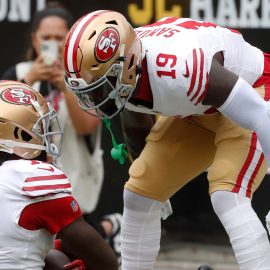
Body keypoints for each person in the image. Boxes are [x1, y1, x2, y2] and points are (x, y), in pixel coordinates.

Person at [62, 10, 270, 270]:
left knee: (228, 194)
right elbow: (136, 122)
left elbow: (261, 114)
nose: (96, 98)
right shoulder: (131, 68)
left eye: (101, 86)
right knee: (139, 195)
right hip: (201, 107)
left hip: (255, 91)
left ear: (127, 64)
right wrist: (155, 184)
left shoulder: (181, 68)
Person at [1, 6, 122, 264]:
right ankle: (109, 228)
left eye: (60, 38)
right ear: (34, 39)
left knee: (72, 243)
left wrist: (64, 85)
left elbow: (87, 126)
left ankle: (108, 229)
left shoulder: (82, 77)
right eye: (47, 38)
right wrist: (30, 78)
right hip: (22, 189)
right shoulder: (18, 75)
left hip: (73, 182)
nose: (52, 44)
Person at [0, 80, 118, 270]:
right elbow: (106, 262)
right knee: (58, 261)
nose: (47, 136)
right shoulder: (30, 177)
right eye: (41, 129)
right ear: (18, 135)